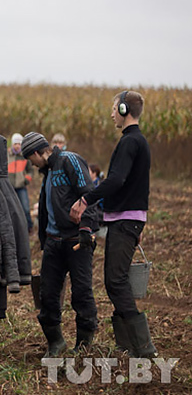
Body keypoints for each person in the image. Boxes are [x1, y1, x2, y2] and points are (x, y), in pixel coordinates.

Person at [70, 90, 157, 358]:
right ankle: (126, 346)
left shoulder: (130, 142)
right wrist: (137, 224)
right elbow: (138, 185)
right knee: (114, 281)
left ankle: (142, 348)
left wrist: (86, 199)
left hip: (125, 222)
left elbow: (117, 180)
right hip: (128, 221)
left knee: (116, 282)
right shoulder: (136, 142)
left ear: (122, 110)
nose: (110, 114)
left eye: (113, 109)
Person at [21, 132, 99, 356]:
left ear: (36, 152)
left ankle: (84, 346)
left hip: (76, 241)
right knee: (47, 294)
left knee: (82, 293)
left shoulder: (69, 161)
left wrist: (86, 229)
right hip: (54, 243)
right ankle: (56, 342)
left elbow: (89, 195)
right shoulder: (48, 171)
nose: (31, 164)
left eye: (30, 158)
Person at [7, 132, 34, 232]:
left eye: (19, 144)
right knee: (10, 209)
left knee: (25, 208)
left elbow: (30, 171)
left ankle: (29, 228)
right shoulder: (7, 156)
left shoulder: (25, 156)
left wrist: (26, 179)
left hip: (21, 187)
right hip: (10, 188)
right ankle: (13, 229)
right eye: (15, 144)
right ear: (12, 144)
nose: (17, 146)